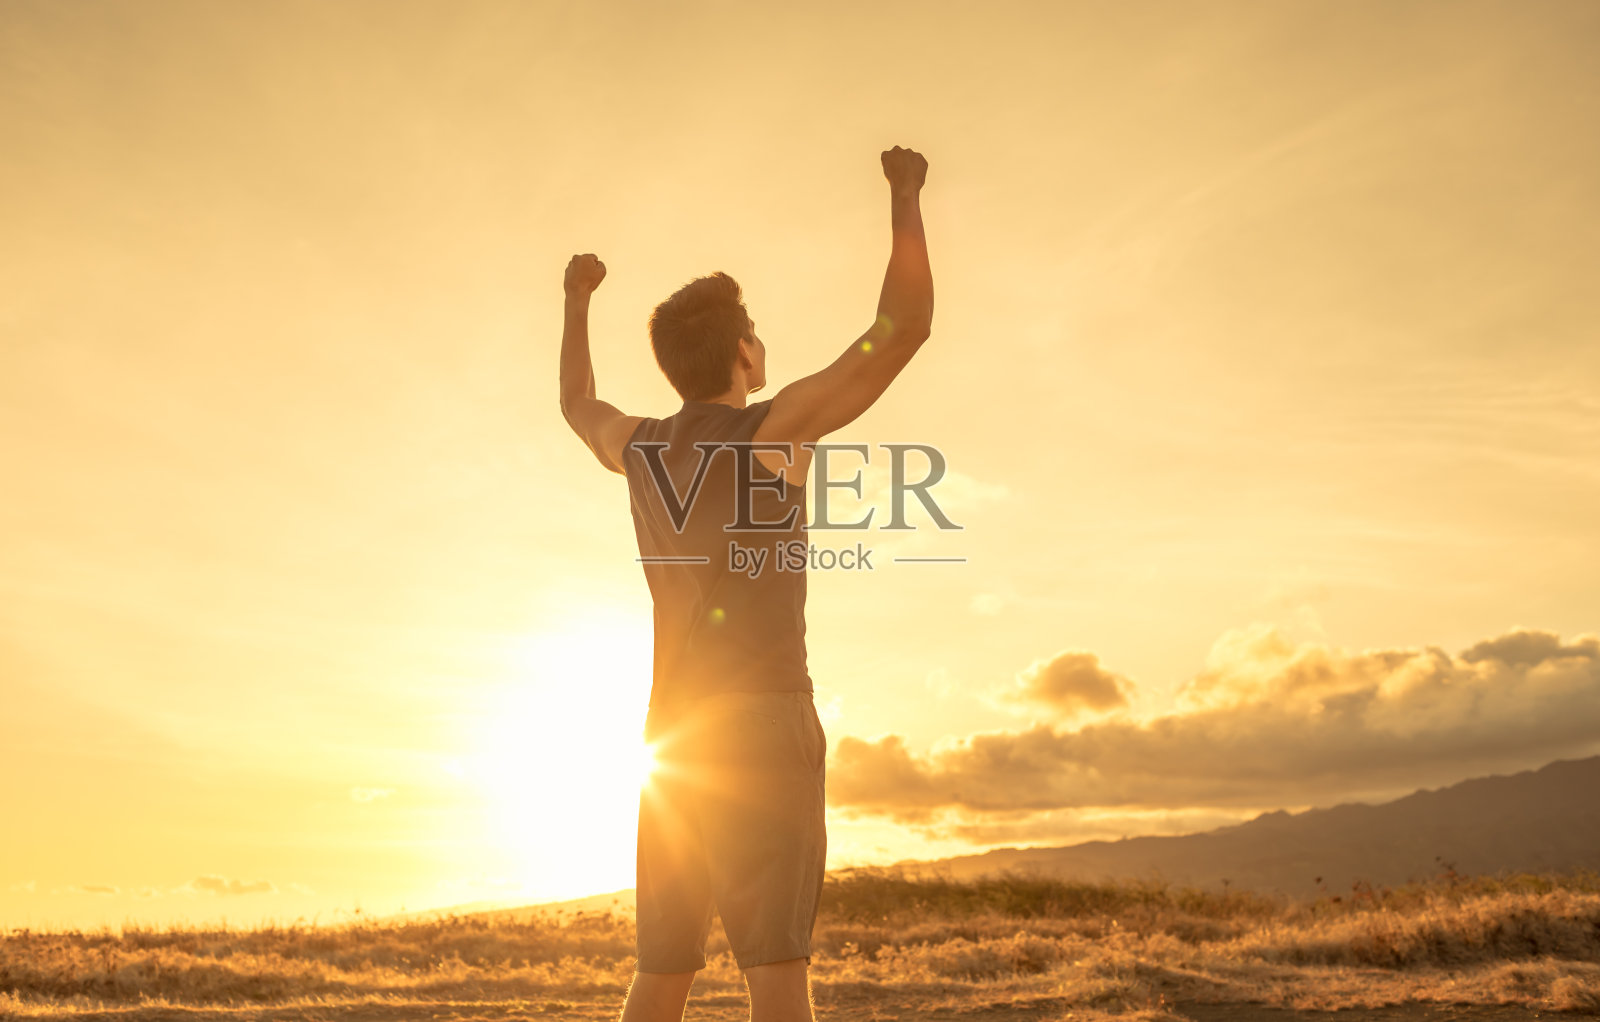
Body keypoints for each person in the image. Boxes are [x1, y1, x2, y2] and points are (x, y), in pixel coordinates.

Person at [558, 146, 933, 1022]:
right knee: (776, 970)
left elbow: (578, 404)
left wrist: (575, 301)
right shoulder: (777, 427)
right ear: (742, 351)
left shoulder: (641, 449)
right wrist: (906, 197)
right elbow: (902, 327)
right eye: (756, 333)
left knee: (663, 969)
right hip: (764, 719)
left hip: (673, 733)